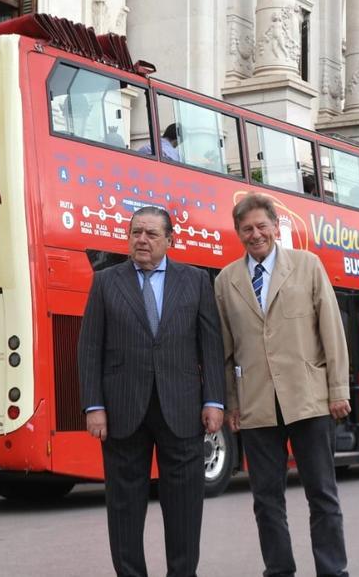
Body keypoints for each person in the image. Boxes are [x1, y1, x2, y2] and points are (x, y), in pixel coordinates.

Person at [77, 206, 225, 577]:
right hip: (123, 410)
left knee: (185, 507)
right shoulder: (106, 282)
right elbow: (89, 347)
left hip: (182, 409)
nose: (141, 240)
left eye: (151, 234)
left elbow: (210, 345)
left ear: (170, 241)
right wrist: (93, 405)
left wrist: (214, 400)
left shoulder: (195, 281)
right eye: (135, 232)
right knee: (124, 507)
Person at [214, 193, 351, 577]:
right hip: (257, 405)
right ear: (238, 233)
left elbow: (332, 331)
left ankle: (332, 570)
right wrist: (231, 402)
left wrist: (338, 390)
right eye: (246, 229)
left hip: (309, 400)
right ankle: (279, 570)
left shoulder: (307, 266)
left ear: (276, 226)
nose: (255, 234)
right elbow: (225, 351)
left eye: (261, 226)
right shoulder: (226, 282)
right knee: (266, 500)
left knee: (322, 494)